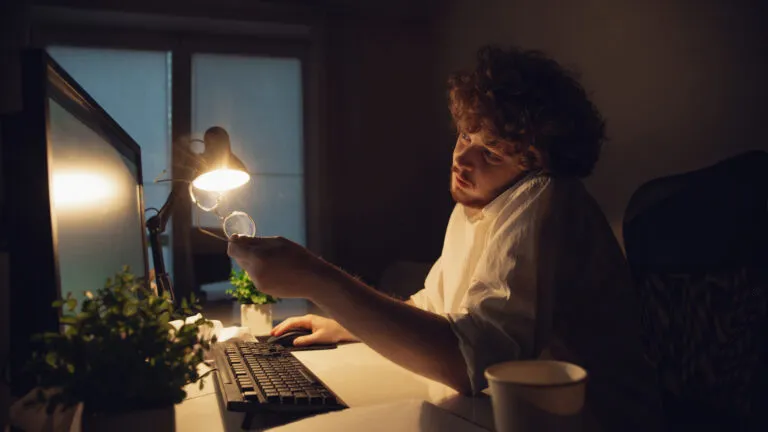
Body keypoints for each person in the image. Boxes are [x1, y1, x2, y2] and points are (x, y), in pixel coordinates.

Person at [228, 45, 663, 431]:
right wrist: (344, 325)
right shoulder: (473, 207)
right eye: (465, 135)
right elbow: (435, 306)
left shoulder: (546, 196)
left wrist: (316, 279)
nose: (462, 159)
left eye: (490, 152)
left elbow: (474, 361)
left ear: (537, 164)